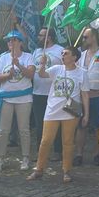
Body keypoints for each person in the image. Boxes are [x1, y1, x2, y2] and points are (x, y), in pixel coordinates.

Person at [26, 46, 90, 183]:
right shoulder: (56, 69)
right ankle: (39, 169)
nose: (63, 55)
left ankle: (66, 171)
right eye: (62, 53)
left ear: (74, 57)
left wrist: (86, 114)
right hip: (52, 110)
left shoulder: (82, 73)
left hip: (71, 110)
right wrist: (42, 64)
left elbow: (85, 94)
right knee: (46, 140)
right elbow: (42, 75)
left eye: (66, 53)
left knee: (67, 142)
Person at [0, 30, 35, 172]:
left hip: (24, 97)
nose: (11, 42)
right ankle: (0, 158)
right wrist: (7, 75)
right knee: (3, 130)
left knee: (24, 130)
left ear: (21, 42)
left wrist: (19, 65)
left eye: (14, 40)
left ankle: (26, 158)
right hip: (6, 97)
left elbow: (31, 74)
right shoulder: (3, 58)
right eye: (9, 40)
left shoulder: (28, 57)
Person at [75, 27, 99, 166]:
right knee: (81, 126)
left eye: (86, 37)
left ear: (94, 37)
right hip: (84, 95)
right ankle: (79, 154)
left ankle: (97, 154)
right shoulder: (82, 54)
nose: (83, 39)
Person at [31, 27, 63, 158]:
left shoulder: (60, 50)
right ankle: (41, 152)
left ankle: (57, 151)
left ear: (48, 37)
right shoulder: (36, 51)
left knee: (56, 122)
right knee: (40, 124)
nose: (38, 37)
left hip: (54, 93)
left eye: (41, 35)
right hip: (38, 92)